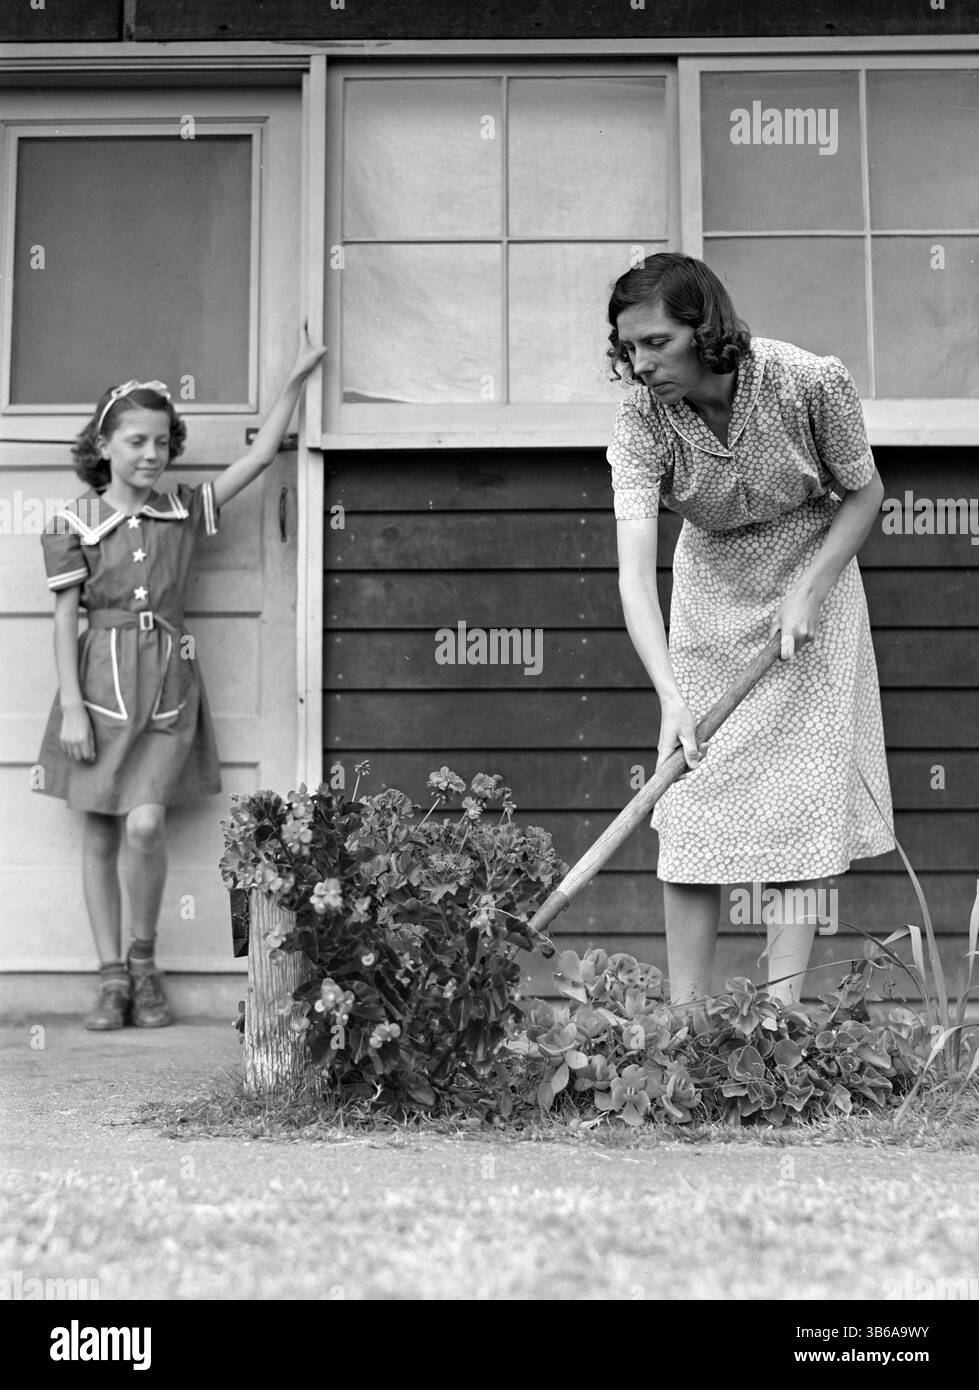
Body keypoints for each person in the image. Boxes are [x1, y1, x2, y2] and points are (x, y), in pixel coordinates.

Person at [605, 253, 894, 1018]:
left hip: (811, 586)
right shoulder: (642, 418)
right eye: (629, 348)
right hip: (711, 595)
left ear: (706, 329)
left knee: (797, 806)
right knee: (690, 803)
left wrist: (813, 585)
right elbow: (634, 575)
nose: (641, 365)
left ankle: (776, 1025)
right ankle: (686, 1027)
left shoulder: (806, 380)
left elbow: (865, 495)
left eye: (657, 343)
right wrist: (669, 695)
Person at [34, 327, 328, 1030]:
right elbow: (64, 620)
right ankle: (112, 980)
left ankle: (144, 961)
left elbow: (260, 454)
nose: (151, 454)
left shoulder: (183, 509)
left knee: (142, 824)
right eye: (136, 441)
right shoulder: (72, 523)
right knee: (100, 833)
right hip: (98, 690)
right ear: (104, 445)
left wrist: (294, 379)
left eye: (162, 443)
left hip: (167, 686)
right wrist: (72, 709)